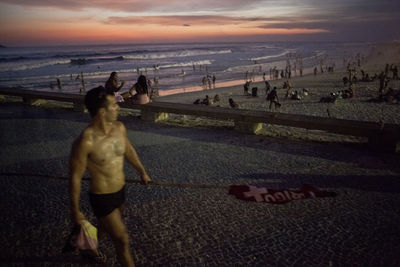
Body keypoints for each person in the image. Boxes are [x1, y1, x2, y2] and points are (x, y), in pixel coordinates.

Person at [69, 86, 151, 266]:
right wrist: (75, 211)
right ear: (101, 111)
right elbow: (75, 178)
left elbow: (129, 150)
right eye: (114, 105)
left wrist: (142, 172)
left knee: (105, 226)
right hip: (101, 197)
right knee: (122, 239)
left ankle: (88, 247)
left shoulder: (119, 128)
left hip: (120, 191)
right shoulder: (85, 141)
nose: (118, 108)